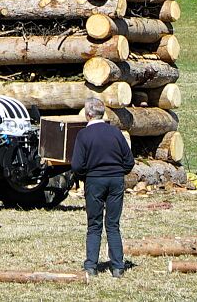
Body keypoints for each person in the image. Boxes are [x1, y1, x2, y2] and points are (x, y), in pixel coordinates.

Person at [71, 98, 135, 277]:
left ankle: (91, 266)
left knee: (94, 225)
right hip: (115, 181)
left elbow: (76, 165)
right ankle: (117, 267)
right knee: (113, 225)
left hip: (95, 181)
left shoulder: (84, 135)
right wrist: (118, 173)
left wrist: (85, 177)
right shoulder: (115, 132)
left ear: (88, 114)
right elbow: (129, 161)